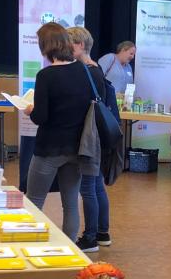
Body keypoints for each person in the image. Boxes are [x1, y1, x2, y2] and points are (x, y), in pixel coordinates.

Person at [24, 23, 105, 241]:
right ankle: (69, 251)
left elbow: (41, 117)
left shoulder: (46, 76)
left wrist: (29, 110)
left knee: (34, 201)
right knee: (70, 203)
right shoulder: (84, 71)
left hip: (49, 149)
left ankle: (31, 247)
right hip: (76, 149)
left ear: (45, 47)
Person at [68, 26, 112, 252]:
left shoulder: (85, 71)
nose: (66, 48)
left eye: (70, 43)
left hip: (89, 137)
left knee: (87, 187)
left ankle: (91, 238)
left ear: (81, 45)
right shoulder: (97, 69)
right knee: (96, 185)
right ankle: (103, 232)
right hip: (98, 134)